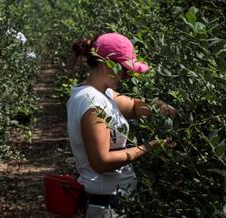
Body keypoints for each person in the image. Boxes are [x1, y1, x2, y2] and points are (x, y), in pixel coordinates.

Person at [67, 32, 176, 218]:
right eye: (125, 69)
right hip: (104, 206)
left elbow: (133, 107)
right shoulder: (91, 102)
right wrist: (148, 147)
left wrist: (161, 108)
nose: (128, 76)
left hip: (111, 203)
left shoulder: (101, 94)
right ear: (106, 64)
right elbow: (101, 162)